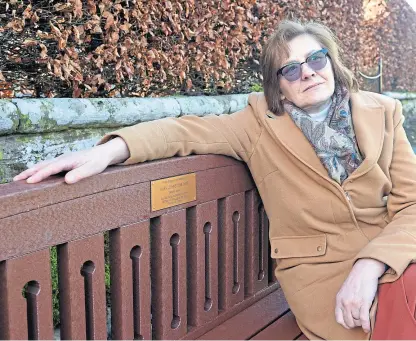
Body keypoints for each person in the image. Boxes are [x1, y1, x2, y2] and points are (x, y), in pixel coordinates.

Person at [13, 20, 416, 340]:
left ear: (332, 59)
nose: (308, 73)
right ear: (278, 85)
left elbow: (411, 205)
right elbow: (183, 132)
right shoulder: (258, 125)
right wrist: (106, 151)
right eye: (291, 69)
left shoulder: (382, 112)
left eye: (316, 59)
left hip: (390, 255)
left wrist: (371, 262)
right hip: (322, 274)